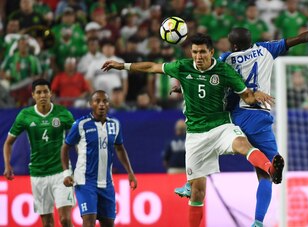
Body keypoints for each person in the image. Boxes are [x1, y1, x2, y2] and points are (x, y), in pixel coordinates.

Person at [101, 33, 283, 227]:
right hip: (196, 135)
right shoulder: (182, 67)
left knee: (242, 144)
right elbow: (151, 67)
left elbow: (246, 96)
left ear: (211, 52)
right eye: (195, 52)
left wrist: (257, 94)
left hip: (221, 125)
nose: (198, 56)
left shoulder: (224, 70)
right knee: (197, 192)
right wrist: (123, 66)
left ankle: (271, 169)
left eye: (202, 52)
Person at [175, 27, 308, 227]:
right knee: (266, 174)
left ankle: (191, 182)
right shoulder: (267, 49)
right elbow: (298, 39)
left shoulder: (225, 58)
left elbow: (204, 75)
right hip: (260, 119)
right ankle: (258, 222)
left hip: (233, 118)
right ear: (251, 41)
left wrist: (180, 86)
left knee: (208, 140)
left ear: (233, 45)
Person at [3, 78, 75, 227]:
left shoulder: (62, 113)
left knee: (65, 220)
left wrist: (82, 161)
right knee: (47, 223)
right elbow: (8, 143)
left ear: (51, 94)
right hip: (38, 173)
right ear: (33, 95)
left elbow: (78, 136)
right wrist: (7, 165)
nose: (42, 95)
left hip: (61, 172)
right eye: (39, 92)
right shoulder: (25, 115)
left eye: (45, 92)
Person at [61, 90, 137, 227]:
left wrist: (130, 172)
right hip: (85, 182)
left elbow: (119, 148)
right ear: (91, 104)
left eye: (105, 101)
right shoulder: (81, 124)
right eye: (97, 101)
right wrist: (67, 173)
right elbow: (65, 147)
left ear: (109, 104)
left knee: (108, 223)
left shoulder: (115, 124)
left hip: (107, 183)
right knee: (89, 221)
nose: (101, 104)